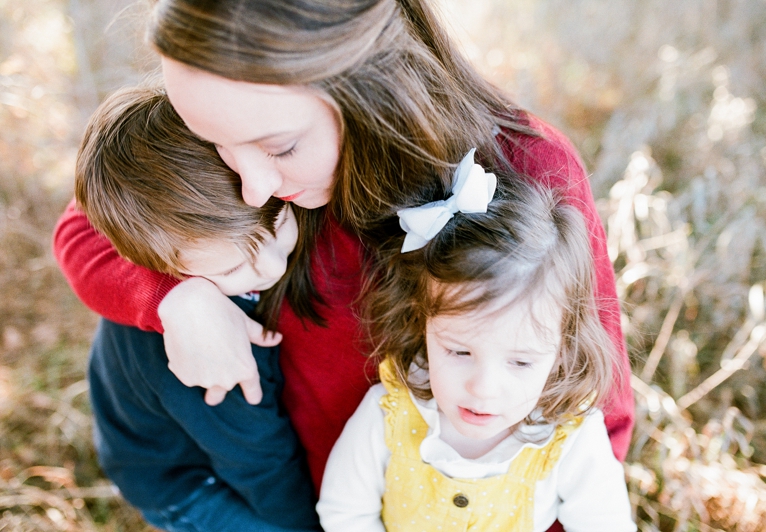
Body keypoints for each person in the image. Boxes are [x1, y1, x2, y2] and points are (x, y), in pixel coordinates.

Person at [53, 0, 634, 509]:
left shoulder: (526, 173)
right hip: (327, 504)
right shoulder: (241, 121)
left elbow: (592, 406)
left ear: (370, 86)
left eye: (281, 147)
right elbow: (82, 229)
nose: (252, 187)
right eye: (215, 146)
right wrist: (175, 298)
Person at [317, 152, 636, 531]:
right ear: (423, 325)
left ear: (562, 352)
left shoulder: (570, 438)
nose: (483, 388)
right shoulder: (389, 413)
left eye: (520, 362)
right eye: (459, 351)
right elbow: (345, 514)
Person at [72, 85, 321, 532]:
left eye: (279, 225)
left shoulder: (214, 222)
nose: (272, 267)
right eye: (233, 266)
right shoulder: (198, 352)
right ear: (161, 266)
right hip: (185, 483)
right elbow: (258, 462)